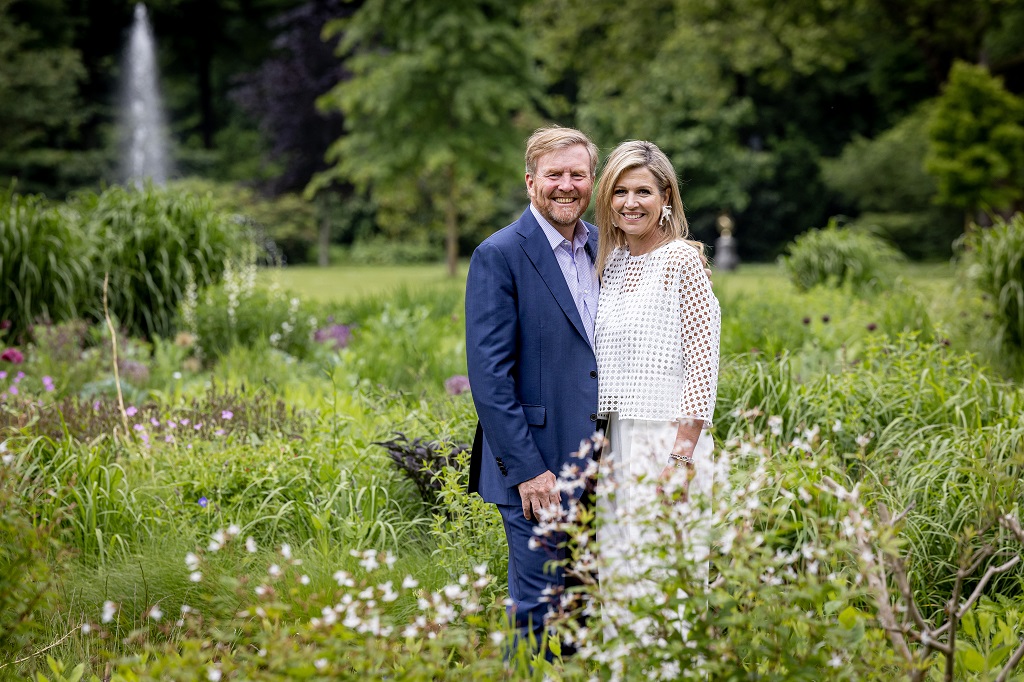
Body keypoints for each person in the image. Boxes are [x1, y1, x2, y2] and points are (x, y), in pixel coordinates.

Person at [465, 125, 602, 653]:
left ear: (591, 181)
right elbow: (490, 378)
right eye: (554, 175)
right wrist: (528, 473)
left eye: (578, 174)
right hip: (537, 470)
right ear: (530, 182)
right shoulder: (499, 254)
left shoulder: (601, 249)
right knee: (539, 618)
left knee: (584, 614)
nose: (566, 186)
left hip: (596, 464)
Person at [592, 140, 721, 592]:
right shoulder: (610, 263)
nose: (631, 203)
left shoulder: (681, 261)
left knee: (665, 575)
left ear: (666, 197)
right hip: (613, 440)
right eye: (620, 191)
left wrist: (682, 455)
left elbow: (703, 363)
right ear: (607, 199)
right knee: (619, 573)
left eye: (643, 191)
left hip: (666, 439)